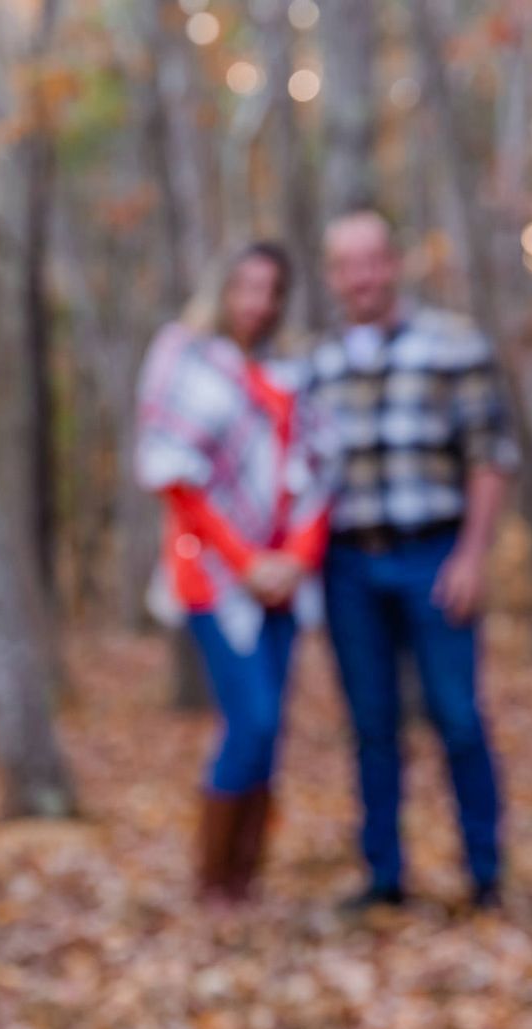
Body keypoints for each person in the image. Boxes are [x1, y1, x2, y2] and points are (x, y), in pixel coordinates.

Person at [307, 209, 516, 911]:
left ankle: (485, 873)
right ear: (334, 276)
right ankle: (384, 876)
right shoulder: (319, 363)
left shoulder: (452, 345)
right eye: (347, 265)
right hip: (348, 568)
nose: (361, 277)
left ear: (393, 264)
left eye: (372, 261)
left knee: (457, 716)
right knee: (371, 725)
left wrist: (472, 555)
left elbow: (490, 456)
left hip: (434, 552)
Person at [136, 242, 333, 905]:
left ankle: (246, 880)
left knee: (271, 728)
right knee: (249, 721)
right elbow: (174, 475)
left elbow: (318, 473)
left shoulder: (293, 370)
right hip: (214, 579)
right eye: (246, 286)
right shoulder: (182, 355)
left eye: (271, 289)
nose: (258, 302)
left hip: (285, 580)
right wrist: (246, 563)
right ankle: (213, 884)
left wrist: (296, 560)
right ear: (223, 289)